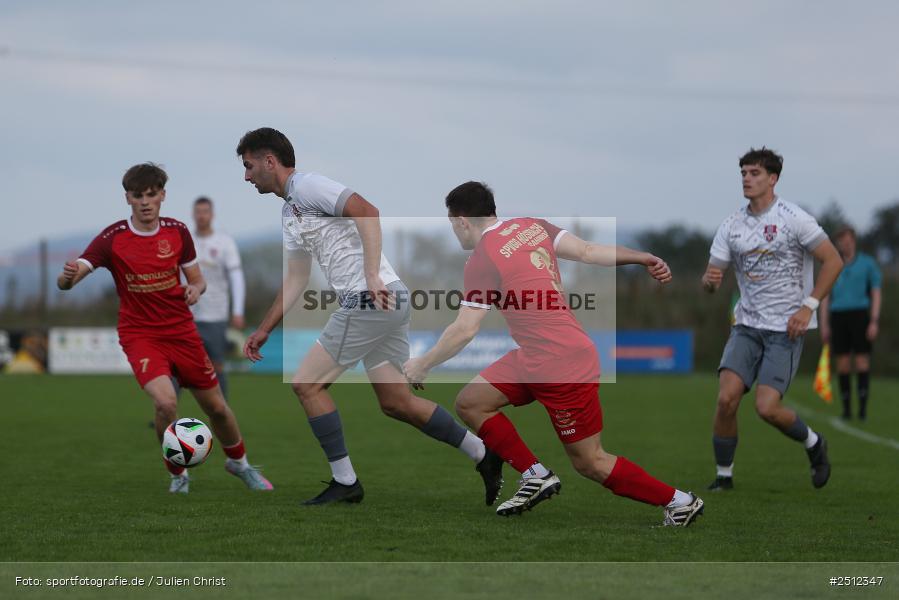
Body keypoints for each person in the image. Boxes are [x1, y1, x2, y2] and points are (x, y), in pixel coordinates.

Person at [403, 181, 704, 526]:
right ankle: (535, 474)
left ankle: (680, 502)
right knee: (471, 402)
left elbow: (465, 329)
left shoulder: (481, 259)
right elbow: (589, 251)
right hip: (536, 357)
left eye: (452, 224)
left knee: (590, 461)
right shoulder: (532, 226)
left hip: (562, 364)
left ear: (461, 221)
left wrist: (423, 364)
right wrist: (641, 257)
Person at [235, 128, 502, 506]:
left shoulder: (308, 186)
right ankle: (483, 453)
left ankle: (345, 482)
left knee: (307, 384)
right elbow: (296, 277)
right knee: (397, 402)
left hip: (371, 298)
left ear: (269, 161)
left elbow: (368, 211)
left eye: (248, 167)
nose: (246, 177)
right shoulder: (289, 211)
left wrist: (372, 274)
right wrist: (264, 329)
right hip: (387, 300)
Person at [57, 163, 273, 494]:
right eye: (137, 195)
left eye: (151, 194)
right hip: (140, 336)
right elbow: (72, 278)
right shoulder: (113, 238)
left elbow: (197, 280)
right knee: (165, 404)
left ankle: (239, 463)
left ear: (162, 196)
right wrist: (67, 277)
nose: (145, 201)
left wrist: (195, 290)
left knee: (216, 407)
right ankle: (178, 473)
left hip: (182, 333)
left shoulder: (177, 232)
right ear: (127, 198)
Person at [702, 147, 843, 491]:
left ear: (773, 178)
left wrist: (808, 306)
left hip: (786, 328)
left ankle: (813, 443)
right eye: (744, 174)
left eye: (754, 173)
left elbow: (834, 260)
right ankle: (724, 477)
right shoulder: (732, 225)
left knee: (767, 408)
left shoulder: (795, 219)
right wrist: (710, 282)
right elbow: (710, 278)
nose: (747, 180)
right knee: (726, 399)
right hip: (747, 326)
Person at [820, 226, 882, 421]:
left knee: (862, 361)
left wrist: (873, 320)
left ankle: (862, 409)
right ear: (837, 243)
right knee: (843, 363)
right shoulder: (832, 264)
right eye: (841, 241)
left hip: (860, 315)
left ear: (854, 241)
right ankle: (846, 410)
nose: (845, 244)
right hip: (838, 316)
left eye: (848, 240)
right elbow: (824, 295)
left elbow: (876, 292)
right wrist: (824, 324)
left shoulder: (867, 264)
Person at [189, 196, 246, 399]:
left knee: (216, 364)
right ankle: (168, 414)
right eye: (198, 211)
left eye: (205, 211)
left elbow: (236, 277)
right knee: (177, 363)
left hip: (216, 315)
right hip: (187, 314)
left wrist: (237, 310)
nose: (201, 216)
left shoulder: (224, 242)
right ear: (193, 214)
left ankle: (223, 411)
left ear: (211, 215)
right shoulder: (186, 241)